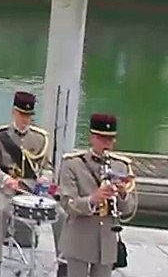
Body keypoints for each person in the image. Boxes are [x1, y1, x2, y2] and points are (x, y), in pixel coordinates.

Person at [0, 91, 61, 277]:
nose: (25, 119)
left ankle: (62, 262)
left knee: (61, 214)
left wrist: (45, 178)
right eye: (21, 114)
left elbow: (47, 166)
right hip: (5, 189)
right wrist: (5, 180)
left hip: (31, 189)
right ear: (13, 112)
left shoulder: (40, 138)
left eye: (28, 116)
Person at [58, 114, 137, 277]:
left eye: (110, 139)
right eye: (102, 139)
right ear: (92, 138)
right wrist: (94, 199)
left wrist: (122, 194)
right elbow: (67, 203)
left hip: (107, 239)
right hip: (79, 236)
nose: (107, 144)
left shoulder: (121, 166)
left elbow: (129, 209)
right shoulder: (73, 164)